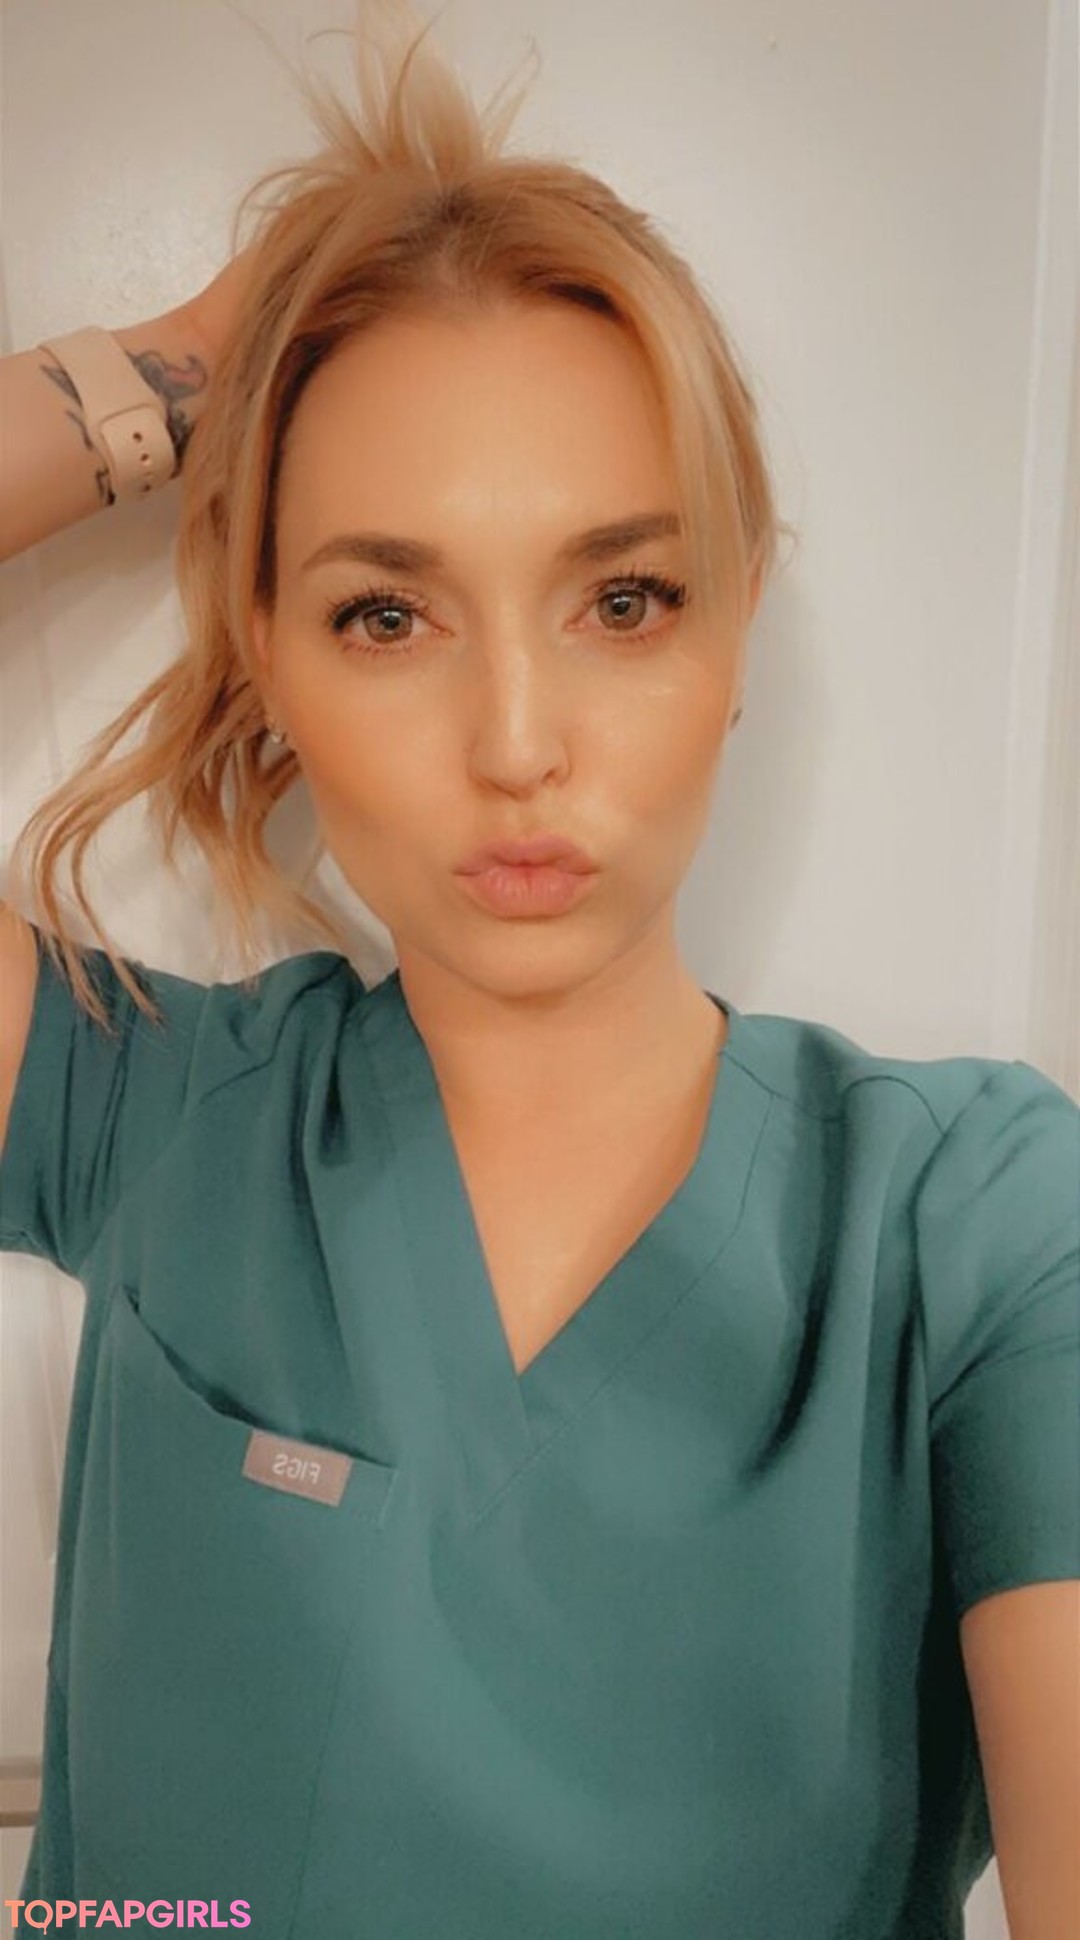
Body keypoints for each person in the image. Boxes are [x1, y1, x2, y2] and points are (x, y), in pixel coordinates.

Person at [0, 4, 1077, 1936]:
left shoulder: (979, 1233)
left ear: (736, 635)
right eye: (386, 612)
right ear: (265, 653)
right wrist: (187, 367)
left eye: (624, 599)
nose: (518, 743)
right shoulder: (147, 1111)